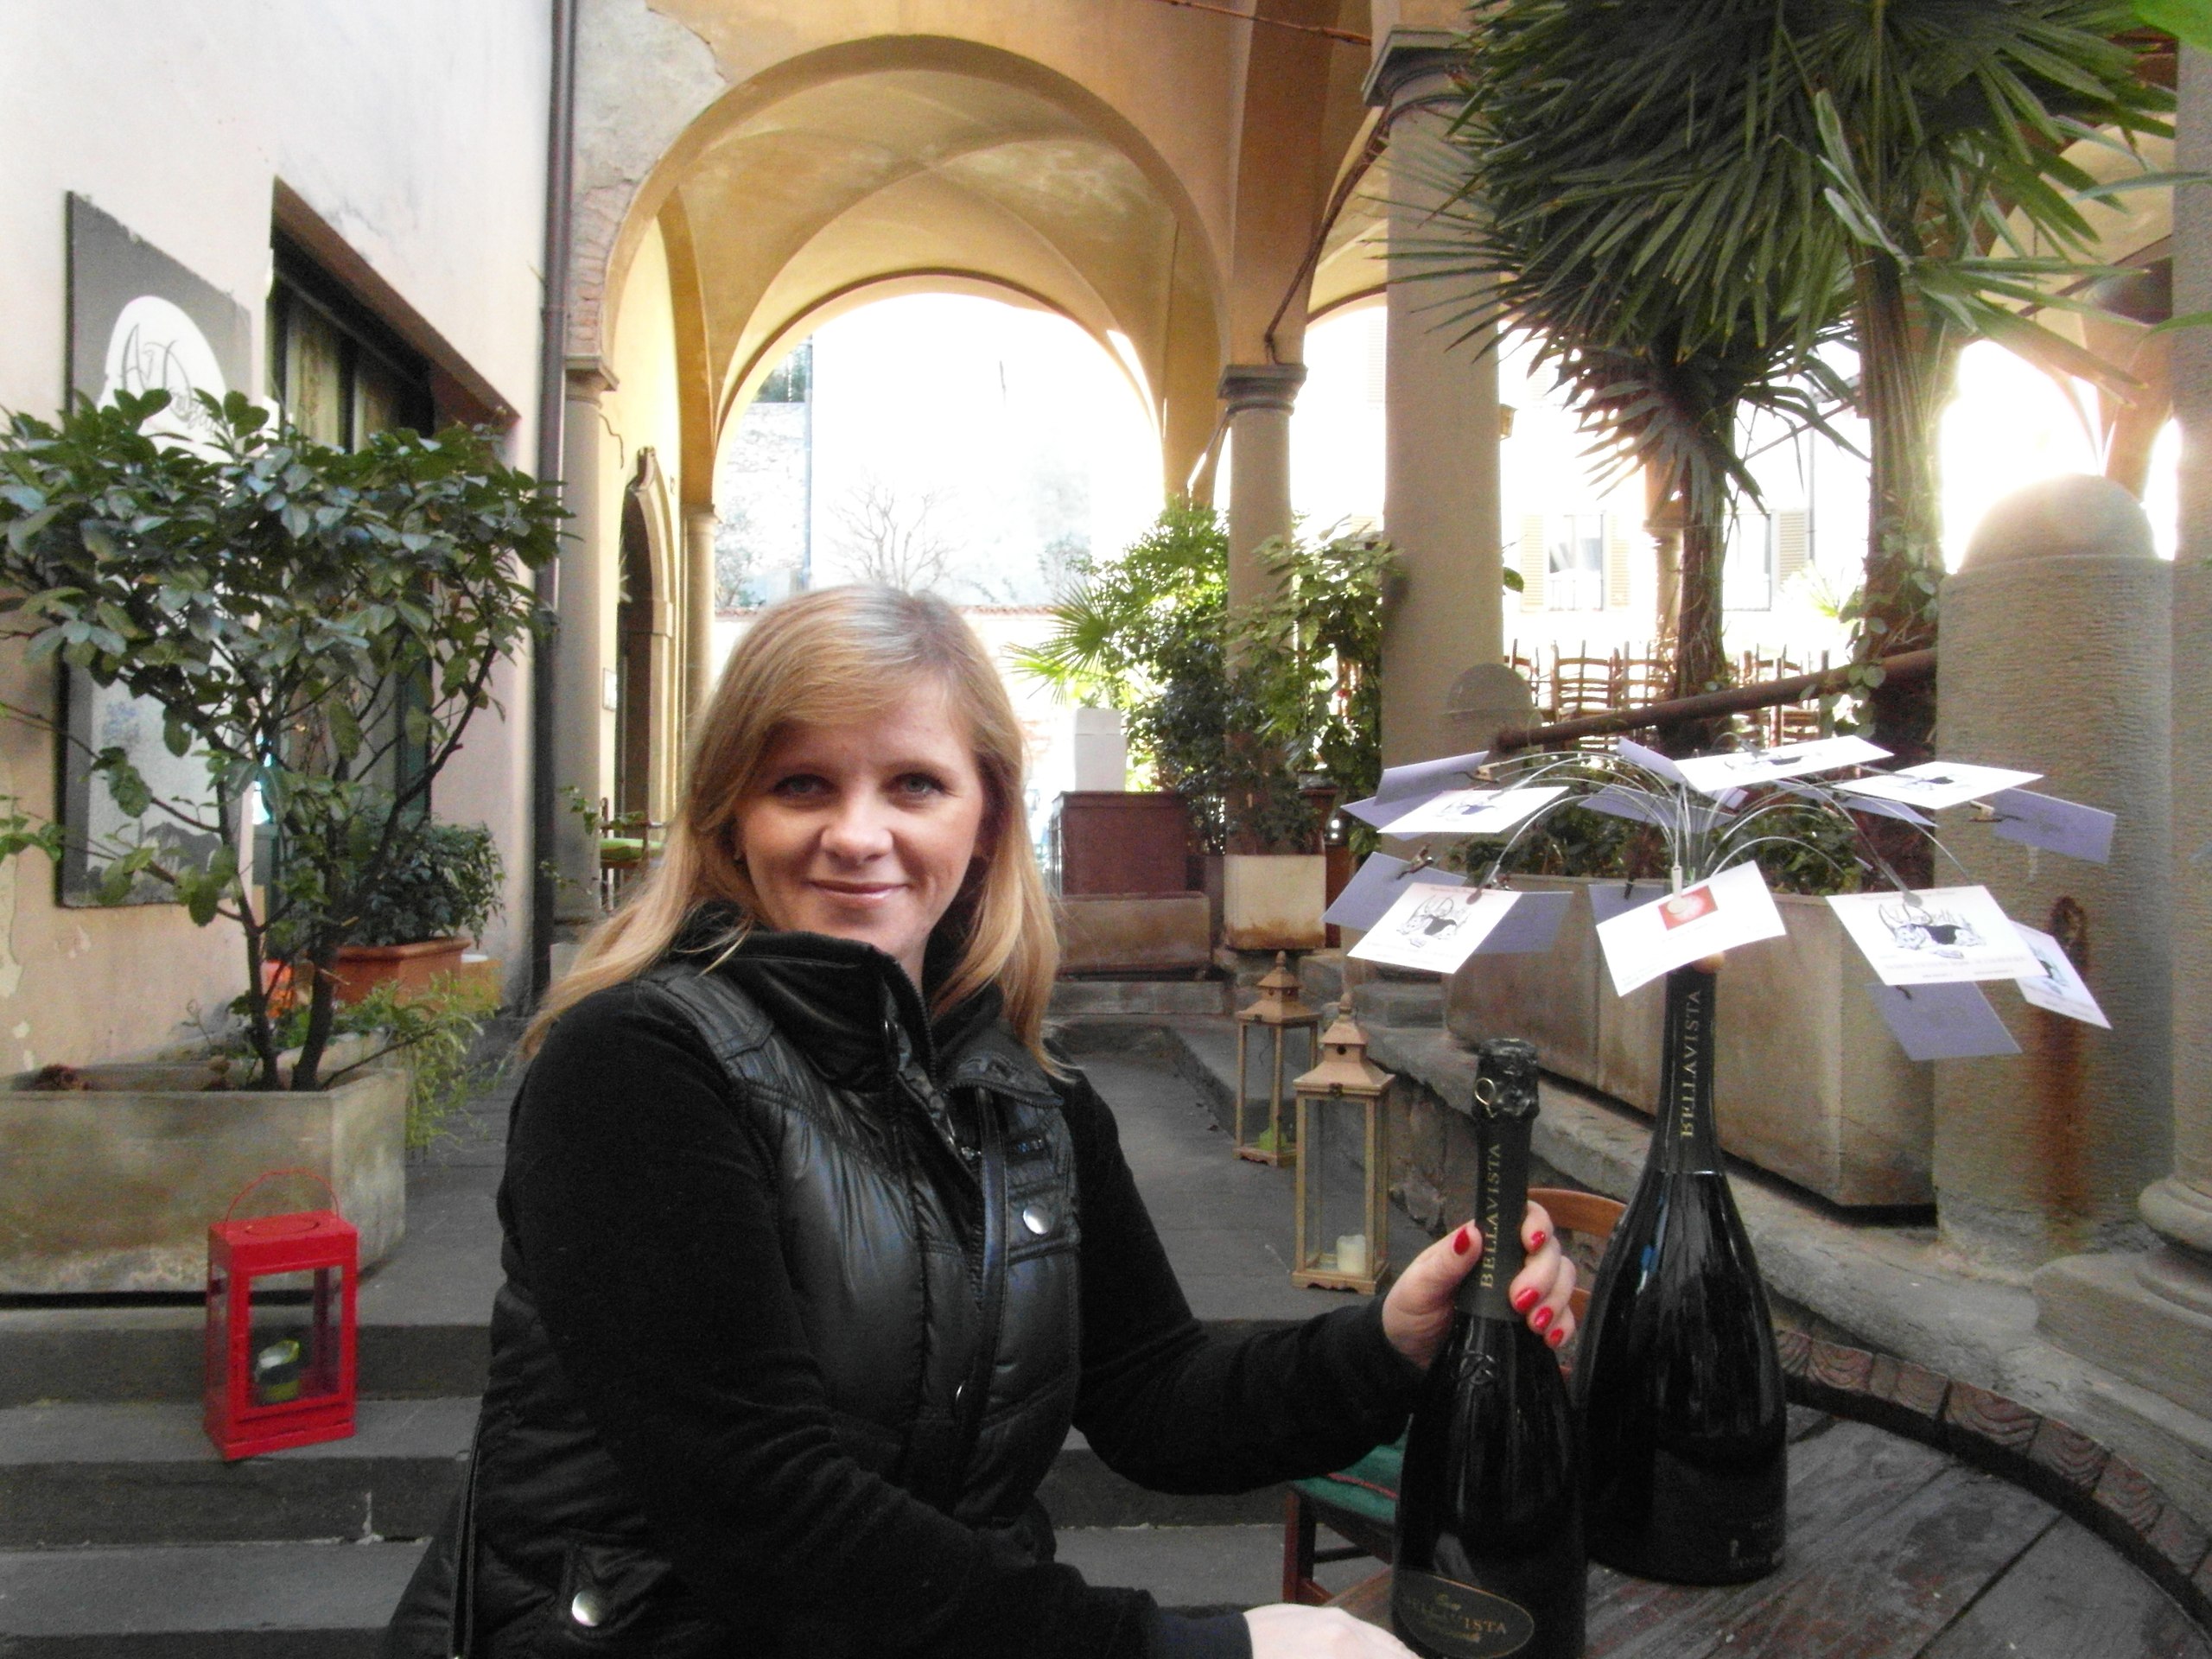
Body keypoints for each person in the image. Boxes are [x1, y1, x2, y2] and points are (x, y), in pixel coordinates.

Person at [383, 586, 1577, 1659]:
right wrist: (1197, 1649)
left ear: (988, 818)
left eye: (913, 784)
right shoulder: (637, 1066)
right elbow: (764, 1514)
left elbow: (1157, 1398)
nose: (858, 834)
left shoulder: (1027, 1096)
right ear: (730, 815)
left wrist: (1393, 1340)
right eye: (803, 784)